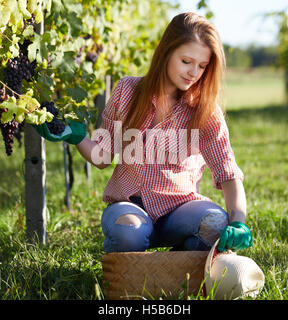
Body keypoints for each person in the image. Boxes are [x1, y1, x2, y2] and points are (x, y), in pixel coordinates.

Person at [34, 12, 252, 254]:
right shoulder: (127, 91)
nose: (193, 73)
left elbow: (229, 174)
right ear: (166, 52)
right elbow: (103, 158)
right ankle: (142, 270)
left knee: (216, 224)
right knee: (127, 234)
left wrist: (238, 221)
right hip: (130, 207)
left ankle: (174, 268)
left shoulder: (205, 110)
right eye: (186, 61)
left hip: (181, 209)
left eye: (202, 66)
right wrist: (75, 137)